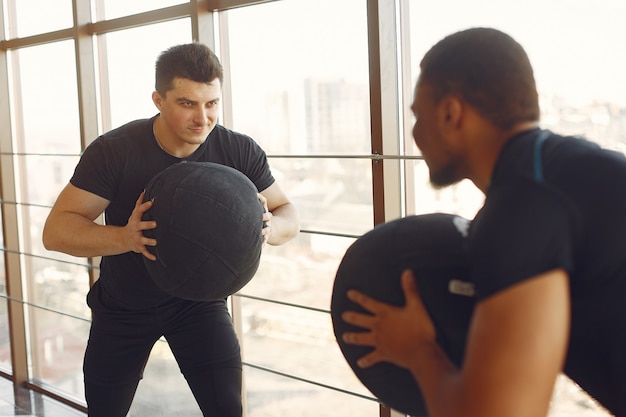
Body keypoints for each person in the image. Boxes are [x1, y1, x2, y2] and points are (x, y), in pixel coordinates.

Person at [340, 27, 626, 417]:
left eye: (417, 116)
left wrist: (418, 349)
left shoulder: (523, 209)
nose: (415, 135)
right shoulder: (568, 171)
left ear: (450, 113)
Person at [42, 42, 299, 417]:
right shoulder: (115, 151)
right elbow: (56, 231)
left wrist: (269, 228)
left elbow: (287, 212)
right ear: (158, 100)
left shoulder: (237, 151)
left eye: (211, 103)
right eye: (187, 103)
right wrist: (125, 237)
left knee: (228, 409)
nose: (203, 118)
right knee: (104, 410)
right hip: (124, 305)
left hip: (200, 304)